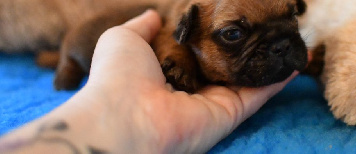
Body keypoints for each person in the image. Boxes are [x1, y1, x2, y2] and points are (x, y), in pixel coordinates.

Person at [0, 10, 298, 153]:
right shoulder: (180, 25)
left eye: (291, 19)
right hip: (81, 44)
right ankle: (64, 65)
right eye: (234, 35)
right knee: (67, 69)